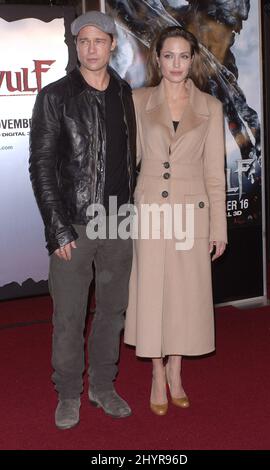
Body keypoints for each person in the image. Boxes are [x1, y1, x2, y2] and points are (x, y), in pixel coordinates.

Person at [29, 11, 136, 429]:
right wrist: (56, 229)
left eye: (99, 41)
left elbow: (131, 159)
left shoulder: (125, 93)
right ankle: (69, 391)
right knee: (69, 316)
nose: (91, 49)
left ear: (112, 44)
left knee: (113, 311)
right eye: (84, 42)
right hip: (73, 225)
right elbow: (41, 167)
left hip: (119, 223)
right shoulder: (55, 96)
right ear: (76, 47)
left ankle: (104, 387)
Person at [124, 26, 227, 415]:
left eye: (184, 56)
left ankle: (177, 371)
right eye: (169, 55)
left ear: (192, 59)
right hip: (150, 208)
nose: (176, 64)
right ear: (158, 58)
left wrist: (219, 229)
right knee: (151, 293)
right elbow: (128, 162)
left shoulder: (210, 108)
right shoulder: (137, 101)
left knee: (185, 294)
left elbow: (215, 175)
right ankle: (155, 372)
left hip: (192, 211)